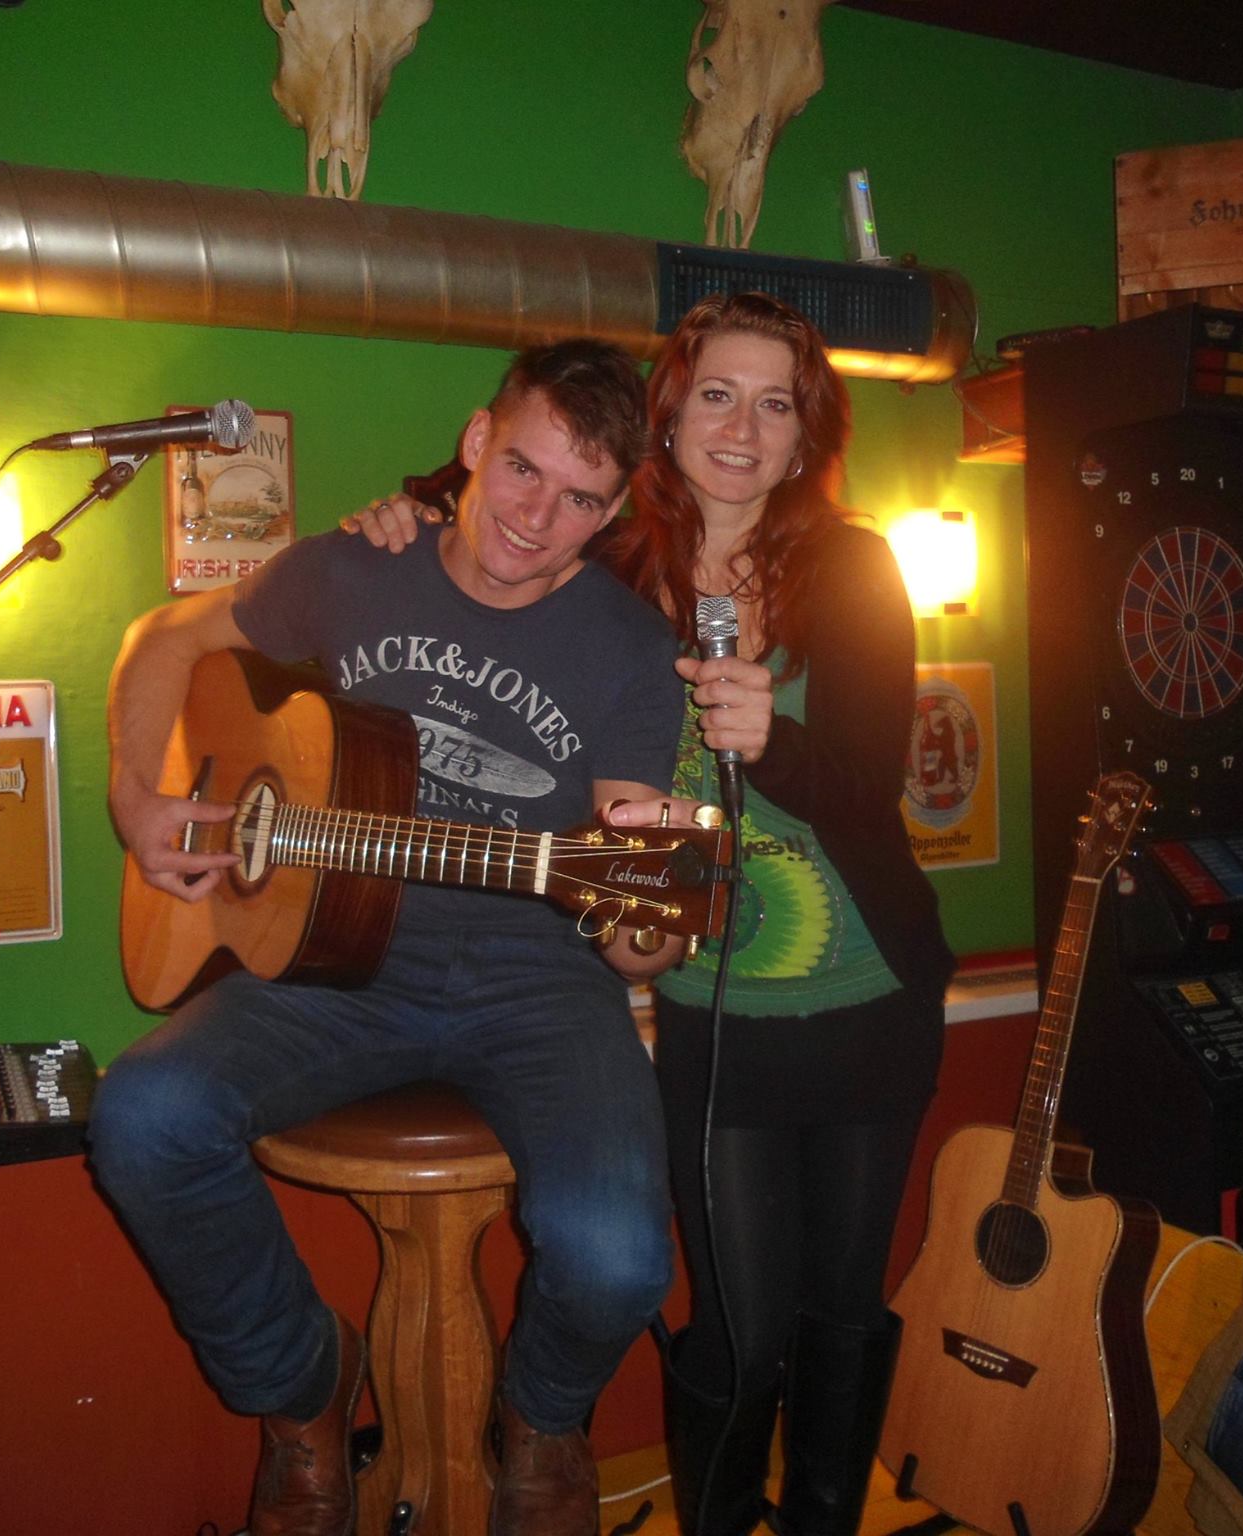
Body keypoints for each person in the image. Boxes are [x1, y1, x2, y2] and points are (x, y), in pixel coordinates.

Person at [345, 293, 954, 1536]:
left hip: (868, 994)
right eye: (716, 394)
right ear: (666, 415)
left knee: (841, 1305)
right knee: (737, 1317)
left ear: (804, 435)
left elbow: (870, 785)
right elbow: (483, 518)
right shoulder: (603, 559)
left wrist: (772, 740)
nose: (741, 427)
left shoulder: (853, 565)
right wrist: (396, 518)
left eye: (774, 404)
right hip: (710, 1007)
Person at [88, 338, 689, 1536]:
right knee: (144, 1117)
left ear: (614, 509)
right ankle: (303, 1390)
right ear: (474, 442)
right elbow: (164, 639)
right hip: (333, 964)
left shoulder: (630, 651)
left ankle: (541, 1419)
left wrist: (652, 926)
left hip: (536, 984)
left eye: (581, 500)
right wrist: (136, 801)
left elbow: (634, 941)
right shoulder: (353, 569)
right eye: (521, 470)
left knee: (618, 1255)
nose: (537, 519)